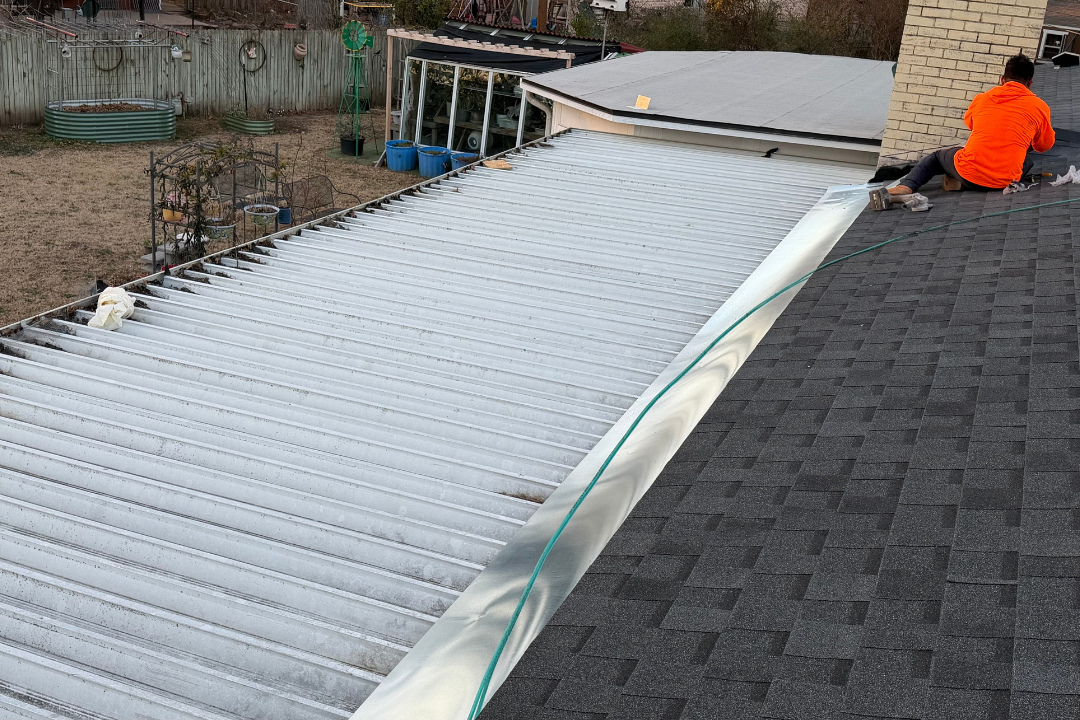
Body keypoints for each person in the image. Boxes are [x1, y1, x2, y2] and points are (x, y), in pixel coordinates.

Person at [885, 53, 1055, 197]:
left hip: (969, 173)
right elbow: (1043, 145)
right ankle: (967, 184)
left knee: (937, 157)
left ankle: (907, 186)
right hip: (1005, 182)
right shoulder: (1040, 107)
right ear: (1030, 83)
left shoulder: (983, 98)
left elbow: (971, 124)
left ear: (1002, 79)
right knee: (1027, 160)